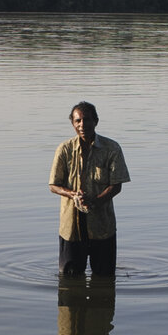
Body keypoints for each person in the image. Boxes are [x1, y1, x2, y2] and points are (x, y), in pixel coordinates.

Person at [48, 102, 129, 279]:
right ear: (73, 124)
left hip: (102, 225)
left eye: (87, 120)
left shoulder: (111, 148)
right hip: (71, 226)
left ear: (96, 121)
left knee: (105, 276)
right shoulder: (64, 149)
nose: (82, 125)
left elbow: (116, 185)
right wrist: (73, 194)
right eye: (78, 121)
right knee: (69, 277)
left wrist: (95, 201)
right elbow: (53, 185)